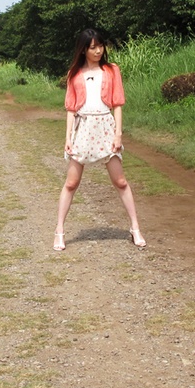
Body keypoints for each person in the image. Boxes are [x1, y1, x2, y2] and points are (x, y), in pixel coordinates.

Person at [54, 29, 145, 251]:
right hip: (82, 128)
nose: (98, 50)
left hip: (106, 126)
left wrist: (118, 134)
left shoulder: (112, 70)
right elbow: (70, 109)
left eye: (100, 46)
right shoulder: (74, 74)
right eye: (93, 47)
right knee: (71, 183)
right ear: (83, 49)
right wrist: (68, 138)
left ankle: (135, 228)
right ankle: (59, 231)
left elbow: (118, 103)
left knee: (120, 181)